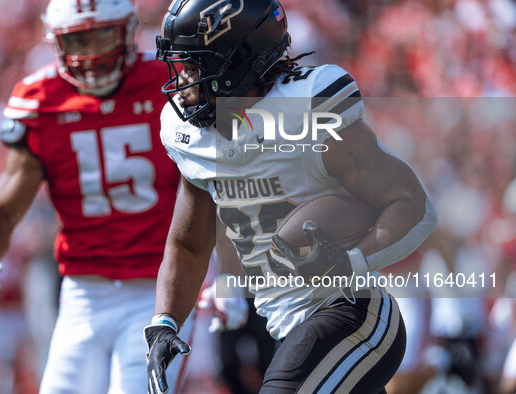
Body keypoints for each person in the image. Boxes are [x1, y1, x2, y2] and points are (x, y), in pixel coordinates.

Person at [143, 0, 438, 393]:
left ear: (236, 62)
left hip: (351, 311)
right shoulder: (194, 139)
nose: (183, 85)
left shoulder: (309, 111)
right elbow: (190, 242)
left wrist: (351, 262)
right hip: (285, 324)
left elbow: (415, 207)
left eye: (195, 68)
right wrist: (165, 322)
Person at [0, 0, 187, 392]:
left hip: (159, 287)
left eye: (102, 34)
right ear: (57, 42)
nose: (92, 52)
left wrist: (225, 275)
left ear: (128, 31)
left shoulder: (171, 82)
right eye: (78, 39)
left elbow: (213, 184)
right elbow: (5, 202)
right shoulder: (40, 98)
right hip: (83, 292)